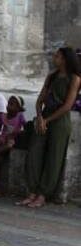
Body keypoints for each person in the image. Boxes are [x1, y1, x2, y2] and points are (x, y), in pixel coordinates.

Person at [17, 47, 81, 208]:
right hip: (44, 116)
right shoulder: (51, 77)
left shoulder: (74, 78)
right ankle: (32, 191)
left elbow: (67, 106)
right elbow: (40, 100)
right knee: (34, 153)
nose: (55, 58)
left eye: (58, 56)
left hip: (60, 120)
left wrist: (48, 120)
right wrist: (40, 116)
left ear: (65, 59)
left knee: (54, 157)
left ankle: (43, 194)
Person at [0, 96, 26, 197]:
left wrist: (16, 134)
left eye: (12, 105)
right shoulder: (3, 116)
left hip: (12, 140)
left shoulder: (20, 116)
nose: (9, 106)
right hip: (2, 140)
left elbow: (25, 130)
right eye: (8, 103)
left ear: (19, 108)